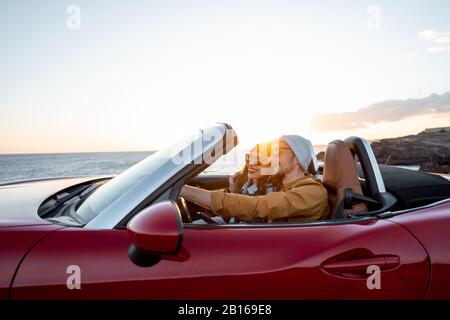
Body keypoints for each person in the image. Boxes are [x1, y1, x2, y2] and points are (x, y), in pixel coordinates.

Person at [181, 135, 329, 223]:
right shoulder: (282, 185)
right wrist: (237, 190)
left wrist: (185, 190)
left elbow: (259, 205)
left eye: (278, 152)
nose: (272, 158)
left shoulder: (313, 192)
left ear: (297, 157)